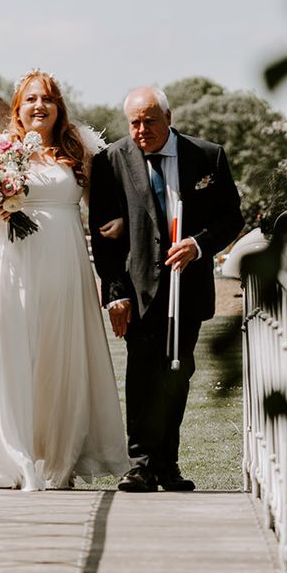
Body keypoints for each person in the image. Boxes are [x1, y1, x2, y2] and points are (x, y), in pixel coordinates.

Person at [0, 69, 129, 491]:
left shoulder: (78, 149)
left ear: (59, 107)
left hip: (65, 264)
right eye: (31, 99)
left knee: (59, 352)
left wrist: (119, 225)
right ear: (18, 109)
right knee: (13, 350)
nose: (39, 106)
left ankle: (60, 459)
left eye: (47, 99)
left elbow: (106, 205)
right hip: (13, 262)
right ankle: (15, 454)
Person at [88, 86, 244, 492]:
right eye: (134, 122)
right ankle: (139, 464)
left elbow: (231, 219)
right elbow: (103, 236)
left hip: (187, 288)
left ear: (169, 117)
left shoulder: (208, 156)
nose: (141, 130)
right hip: (137, 290)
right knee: (141, 374)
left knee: (178, 373)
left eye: (149, 121)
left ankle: (167, 464)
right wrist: (115, 292)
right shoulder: (111, 160)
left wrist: (198, 244)